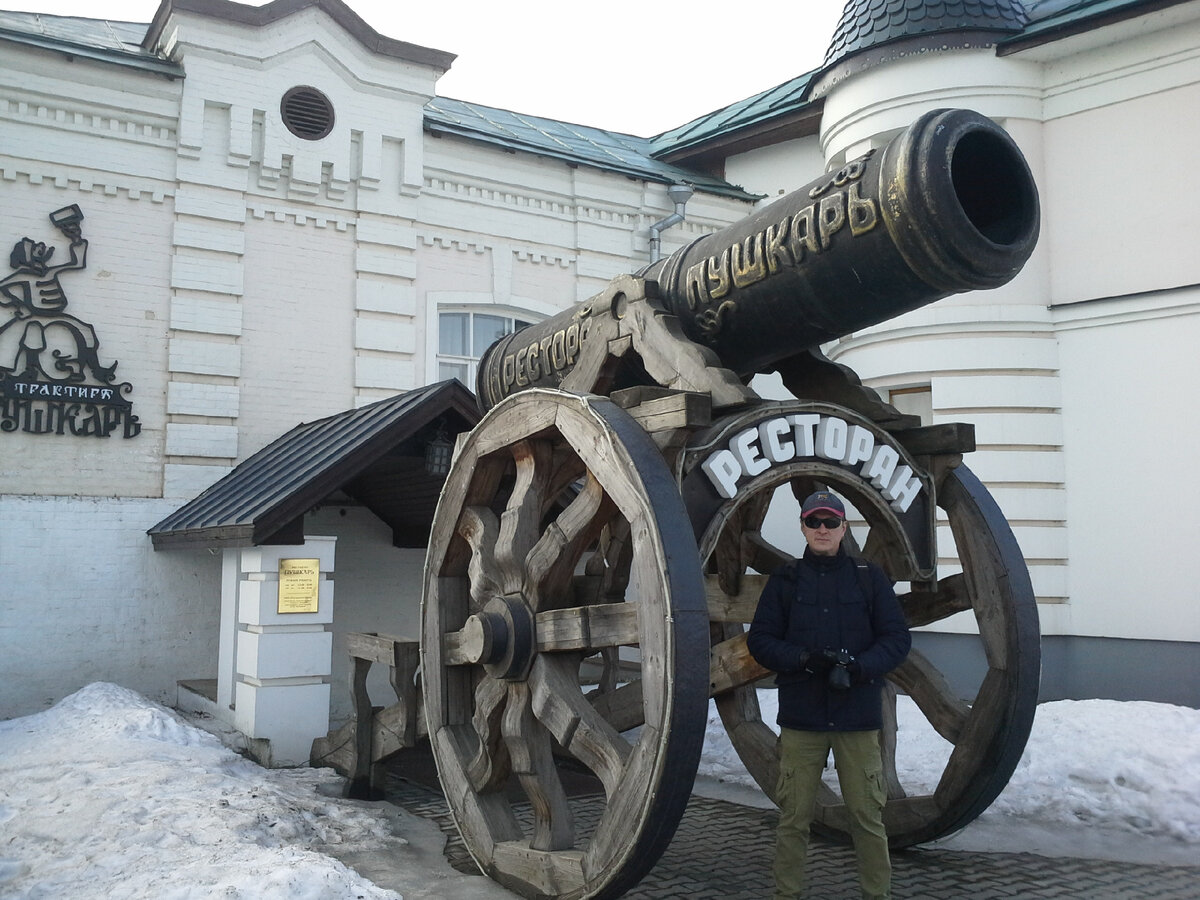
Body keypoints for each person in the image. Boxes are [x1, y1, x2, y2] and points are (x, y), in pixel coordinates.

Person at [747, 489, 911, 900]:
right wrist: (804, 658)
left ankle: (878, 895)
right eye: (814, 522)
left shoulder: (868, 577)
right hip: (803, 718)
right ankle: (787, 895)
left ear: (844, 527)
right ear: (803, 526)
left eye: (831, 522)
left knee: (867, 818)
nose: (822, 529)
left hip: (856, 716)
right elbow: (761, 641)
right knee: (794, 818)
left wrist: (858, 667)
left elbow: (896, 639)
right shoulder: (785, 581)